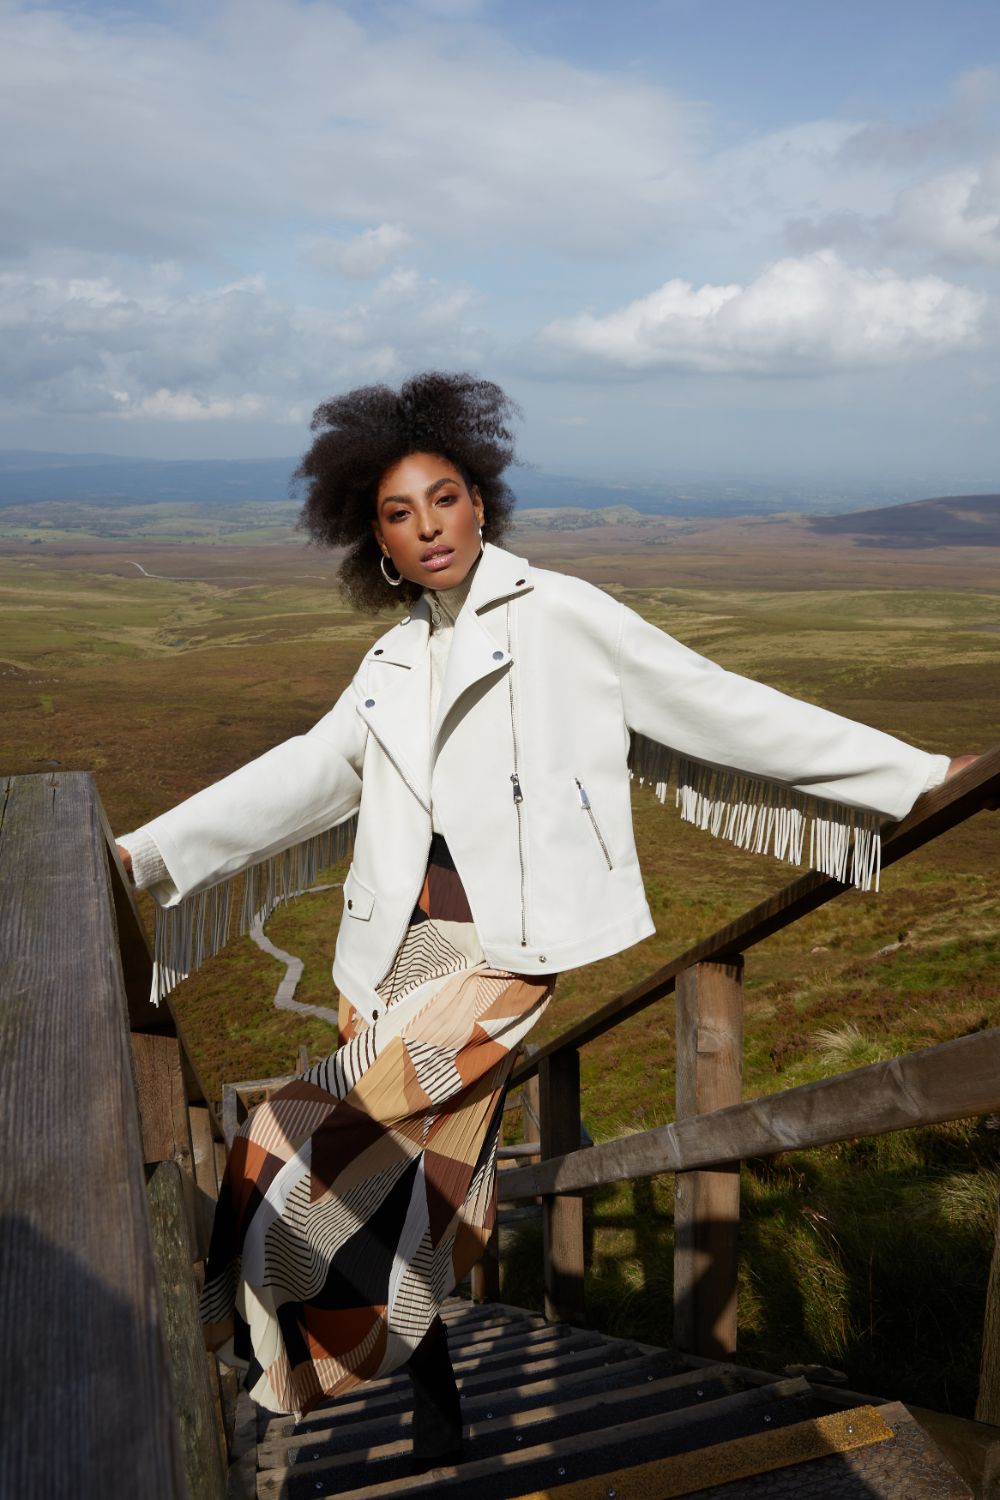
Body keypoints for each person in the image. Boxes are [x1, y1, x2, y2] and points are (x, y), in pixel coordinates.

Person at [116, 370, 978, 1467]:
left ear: (481, 502)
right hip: (386, 951)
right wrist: (146, 852)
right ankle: (431, 1401)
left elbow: (717, 703)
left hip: (502, 953)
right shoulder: (388, 661)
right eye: (399, 512)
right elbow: (301, 779)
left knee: (293, 1140)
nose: (427, 526)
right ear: (374, 539)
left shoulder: (564, 613)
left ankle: (245, 1348)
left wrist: (902, 775)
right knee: (411, 1183)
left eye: (444, 498)